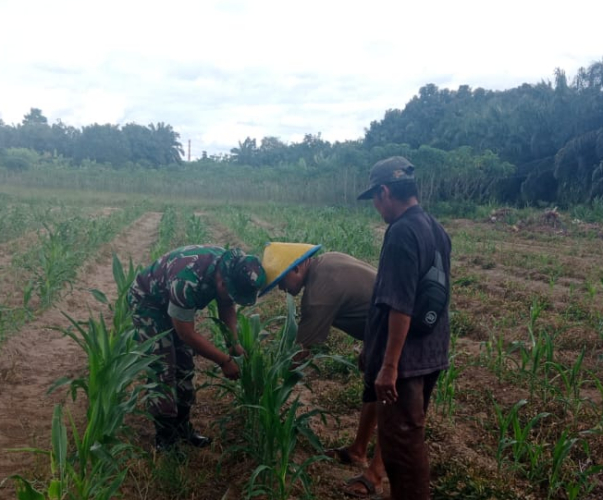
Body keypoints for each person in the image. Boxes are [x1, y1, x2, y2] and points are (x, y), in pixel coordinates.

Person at [259, 242, 387, 498]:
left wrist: (269, 385)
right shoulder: (327, 260)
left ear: (297, 268)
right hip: (381, 330)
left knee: (390, 400)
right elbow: (367, 298)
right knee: (373, 391)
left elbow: (300, 353)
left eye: (282, 282)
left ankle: (377, 474)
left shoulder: (318, 293)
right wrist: (369, 343)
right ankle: (358, 450)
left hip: (402, 331)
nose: (282, 290)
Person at [357, 156, 452, 500]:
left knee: (401, 449)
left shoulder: (400, 232)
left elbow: (400, 304)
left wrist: (389, 365)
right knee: (410, 436)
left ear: (385, 191)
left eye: (375, 199)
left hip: (406, 362)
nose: (376, 207)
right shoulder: (434, 227)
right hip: (431, 354)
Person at [127, 245, 266, 450]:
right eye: (232, 294)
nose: (231, 299)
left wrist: (233, 344)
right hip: (149, 302)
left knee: (184, 365)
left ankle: (182, 428)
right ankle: (165, 439)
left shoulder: (231, 268)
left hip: (173, 303)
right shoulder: (188, 280)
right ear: (222, 282)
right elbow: (186, 333)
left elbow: (226, 305)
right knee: (163, 367)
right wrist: (224, 361)